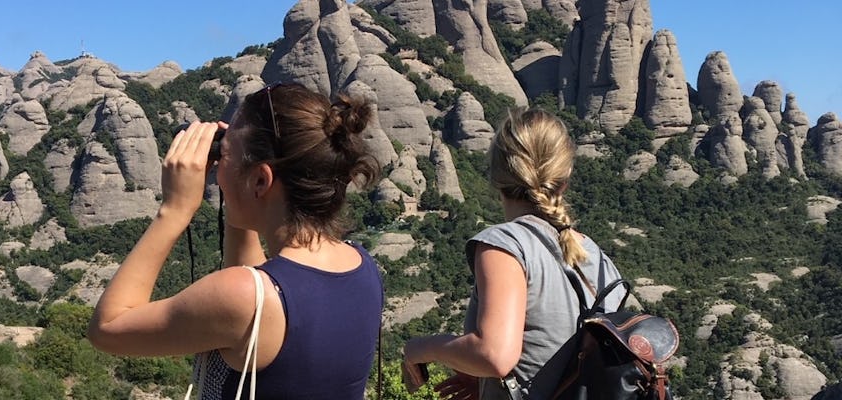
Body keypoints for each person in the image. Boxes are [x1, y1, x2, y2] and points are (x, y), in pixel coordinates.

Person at [88, 83, 384, 399]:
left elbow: (107, 328)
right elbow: (267, 287)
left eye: (224, 157)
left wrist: (174, 210)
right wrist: (238, 168)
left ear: (261, 180)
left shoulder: (244, 298)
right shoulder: (362, 266)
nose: (219, 167)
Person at [401, 108, 626, 399]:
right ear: (565, 180)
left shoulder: (504, 245)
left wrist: (422, 348)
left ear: (495, 175)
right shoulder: (598, 259)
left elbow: (495, 355)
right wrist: (486, 384)